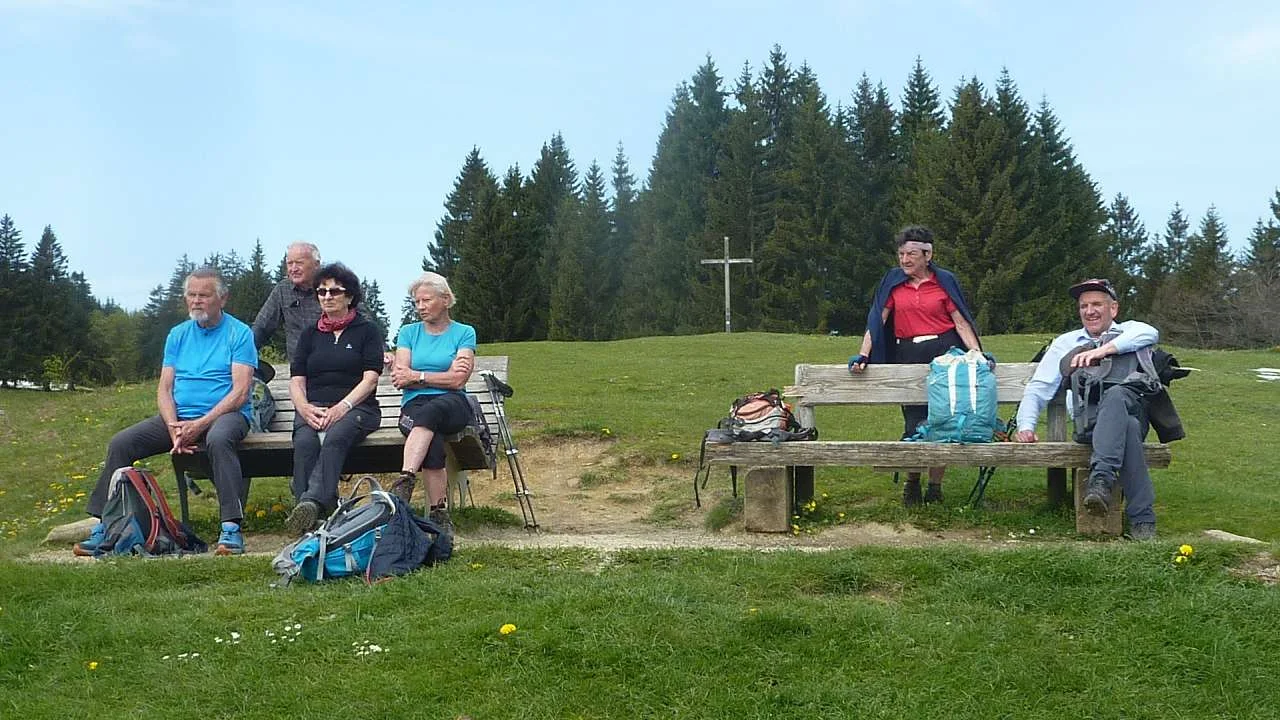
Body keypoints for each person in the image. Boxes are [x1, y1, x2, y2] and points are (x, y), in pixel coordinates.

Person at [75, 268, 256, 556]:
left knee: (219, 439)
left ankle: (231, 529)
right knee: (122, 443)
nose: (196, 301)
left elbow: (241, 391)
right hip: (179, 418)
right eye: (191, 295)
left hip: (226, 415)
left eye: (204, 295)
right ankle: (104, 526)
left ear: (222, 298)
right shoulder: (178, 335)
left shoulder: (239, 333)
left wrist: (199, 424)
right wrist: (173, 426)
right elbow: (164, 389)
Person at [1012, 279, 1161, 540]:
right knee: (1128, 427)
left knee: (1119, 402)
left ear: (1113, 309)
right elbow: (1038, 388)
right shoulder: (1065, 343)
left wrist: (1103, 350)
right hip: (1090, 426)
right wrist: (1026, 426)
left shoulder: (1131, 331)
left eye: (1097, 304)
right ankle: (1142, 520)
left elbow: (1150, 333)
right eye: (1083, 306)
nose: (1089, 311)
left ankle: (1101, 480)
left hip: (1131, 411)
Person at [848, 225, 984, 507]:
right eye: (901, 254)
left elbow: (960, 321)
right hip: (908, 353)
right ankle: (912, 482)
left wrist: (977, 354)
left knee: (943, 421)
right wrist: (863, 354)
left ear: (928, 254)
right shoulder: (893, 283)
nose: (905, 260)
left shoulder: (944, 281)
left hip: (946, 354)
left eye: (911, 254)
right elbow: (878, 320)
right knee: (915, 422)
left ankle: (935, 486)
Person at [283, 263, 385, 535]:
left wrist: (343, 407)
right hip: (313, 408)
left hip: (358, 408)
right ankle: (316, 517)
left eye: (334, 291)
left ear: (349, 296)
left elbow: (371, 378)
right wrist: (304, 408)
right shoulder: (309, 334)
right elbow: (296, 379)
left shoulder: (368, 331)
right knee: (304, 442)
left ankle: (309, 503)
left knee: (336, 436)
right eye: (321, 292)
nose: (327, 297)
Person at [389, 272, 476, 532]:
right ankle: (439, 514)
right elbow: (400, 377)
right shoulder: (408, 333)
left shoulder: (464, 332)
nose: (420, 307)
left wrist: (419, 376)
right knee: (433, 443)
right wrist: (441, 375)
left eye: (426, 300)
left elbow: (458, 381)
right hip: (413, 405)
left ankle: (405, 478)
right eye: (417, 302)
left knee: (432, 410)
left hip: (453, 404)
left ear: (446, 300)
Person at [253, 241, 324, 364]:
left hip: (334, 365)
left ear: (316, 264)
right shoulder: (282, 289)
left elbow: (363, 324)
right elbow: (261, 328)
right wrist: (241, 356)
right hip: (300, 368)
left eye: (299, 263)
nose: (293, 269)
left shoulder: (335, 288)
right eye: (290, 263)